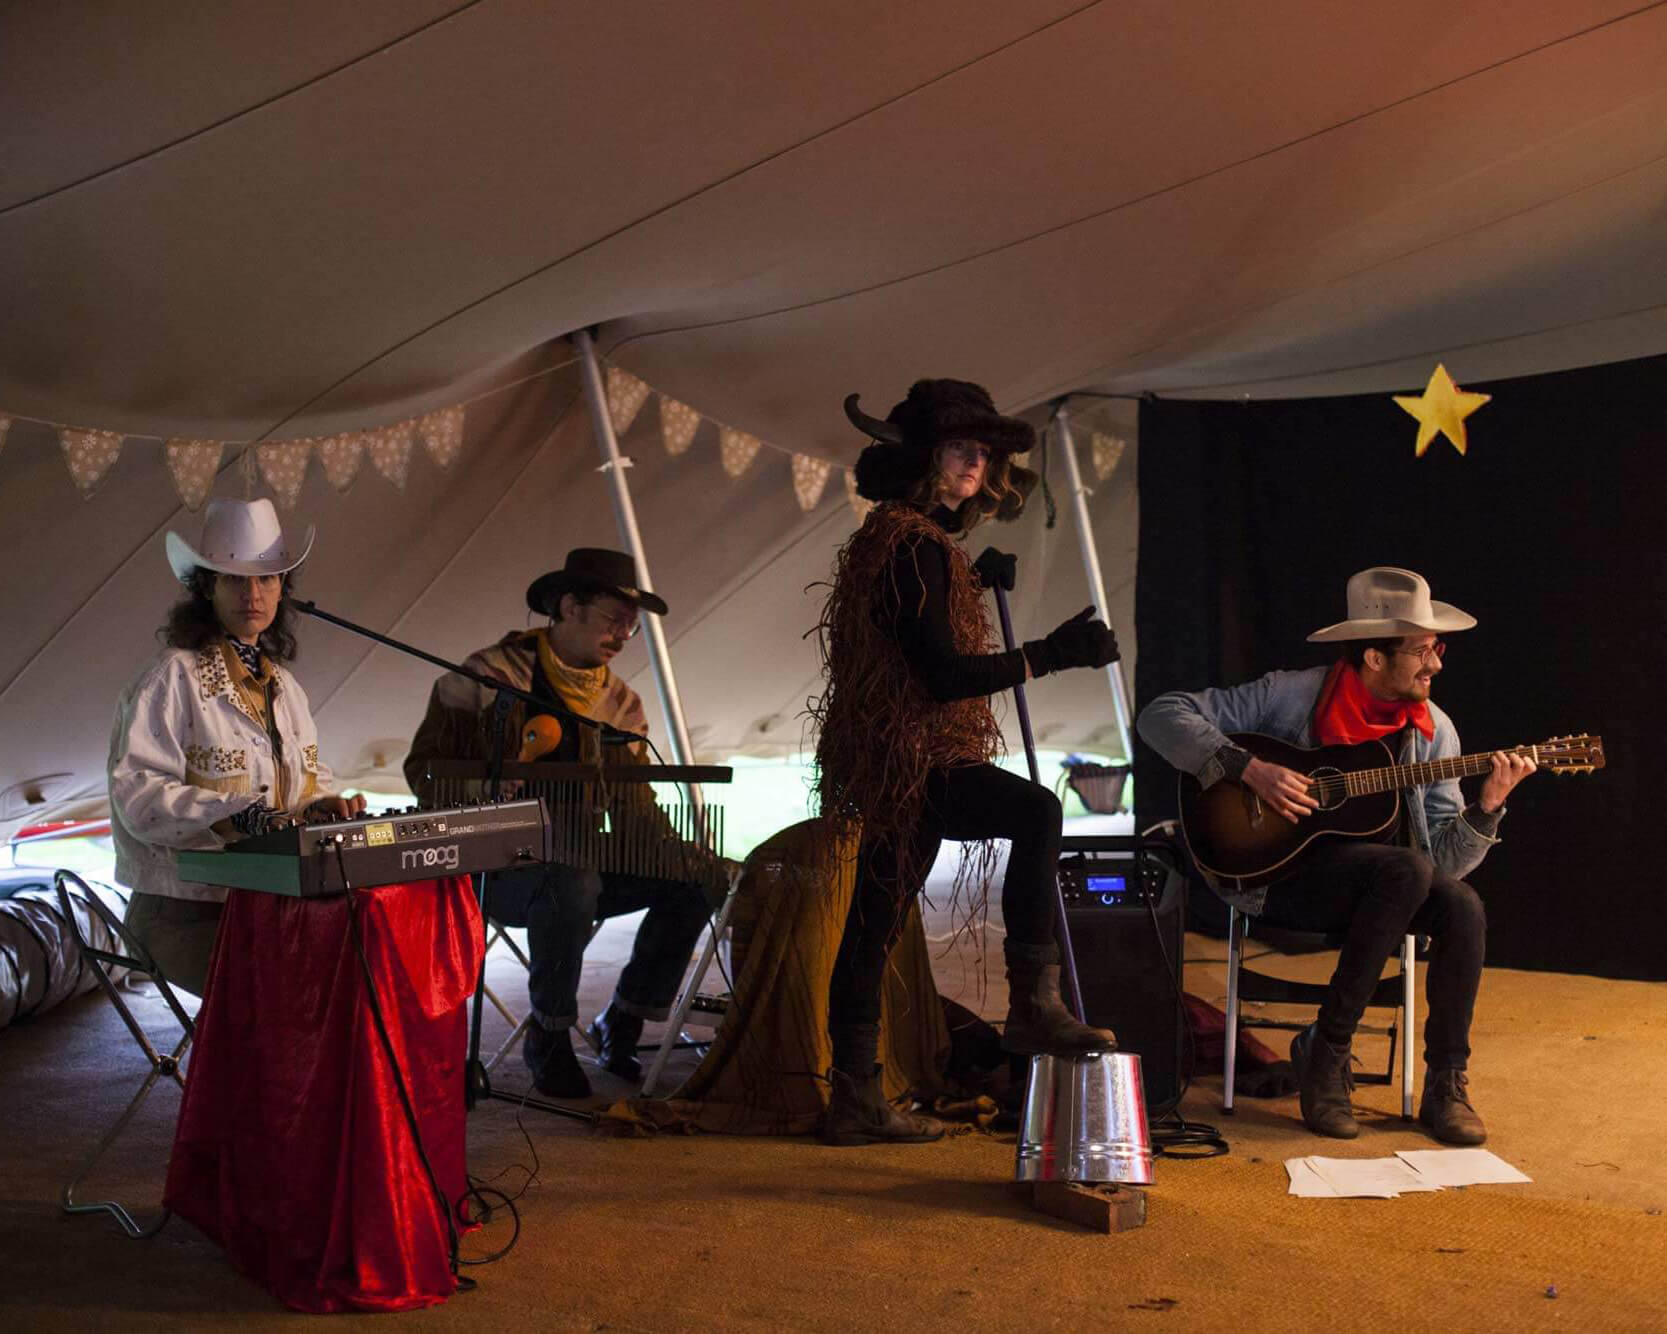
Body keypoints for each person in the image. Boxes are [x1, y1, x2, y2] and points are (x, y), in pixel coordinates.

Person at [811, 379, 1122, 1146]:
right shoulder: (911, 546)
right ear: (920, 457)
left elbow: (912, 630)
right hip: (914, 754)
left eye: (982, 453)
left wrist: (973, 579)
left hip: (889, 757)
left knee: (874, 923)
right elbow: (942, 674)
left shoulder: (908, 542)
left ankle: (853, 1098)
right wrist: (1052, 654)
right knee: (1036, 809)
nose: (975, 466)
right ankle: (1032, 1003)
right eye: (960, 450)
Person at [1137, 566, 1537, 1144]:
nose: (1437, 664)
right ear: (1374, 658)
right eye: (1422, 650)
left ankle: (1444, 1080)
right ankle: (1331, 1055)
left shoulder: (1433, 733)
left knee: (1462, 906)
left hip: (1385, 892)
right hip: (1278, 881)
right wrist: (1247, 767)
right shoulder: (1290, 696)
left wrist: (1488, 808)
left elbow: (1443, 864)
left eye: (1437, 647)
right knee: (1406, 869)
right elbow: (1161, 714)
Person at [404, 548, 723, 1099]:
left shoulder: (622, 704)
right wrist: (484, 786)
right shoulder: (487, 677)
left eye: (631, 624)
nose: (624, 634)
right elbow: (425, 772)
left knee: (699, 879)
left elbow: (635, 810)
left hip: (585, 868)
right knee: (571, 880)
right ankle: (549, 1038)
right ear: (570, 606)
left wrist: (685, 856)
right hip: (498, 872)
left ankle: (622, 1018)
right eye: (613, 618)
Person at [108, 498, 365, 998]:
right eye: (234, 579)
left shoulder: (286, 688)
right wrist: (239, 815)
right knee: (290, 991)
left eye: (267, 579)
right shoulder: (170, 678)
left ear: (282, 591)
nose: (254, 592)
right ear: (206, 588)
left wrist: (319, 806)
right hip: (180, 910)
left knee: (359, 962)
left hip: (268, 903)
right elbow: (138, 797)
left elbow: (298, 787)